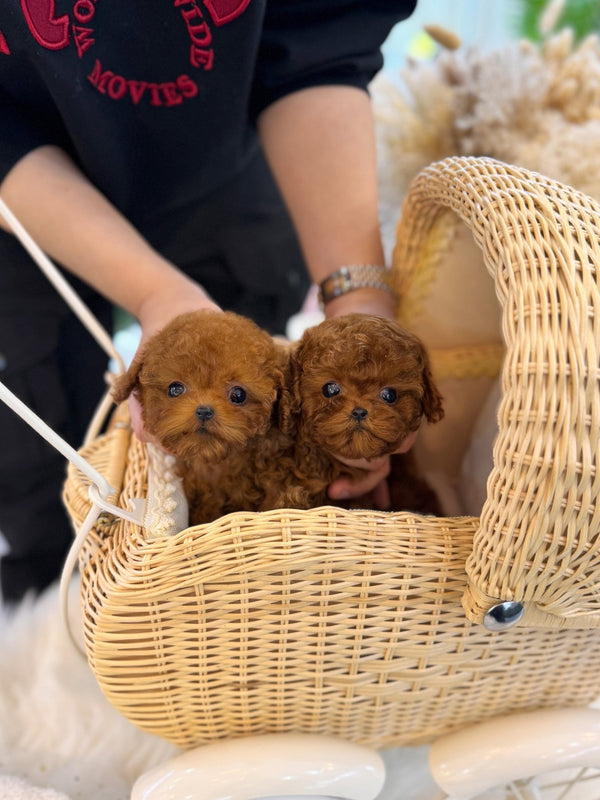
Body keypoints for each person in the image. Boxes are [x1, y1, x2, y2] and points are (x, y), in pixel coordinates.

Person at [0, 0, 417, 603]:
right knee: (46, 502)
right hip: (23, 219)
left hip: (230, 181)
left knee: (248, 477)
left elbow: (318, 49)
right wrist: (156, 290)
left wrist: (359, 300)